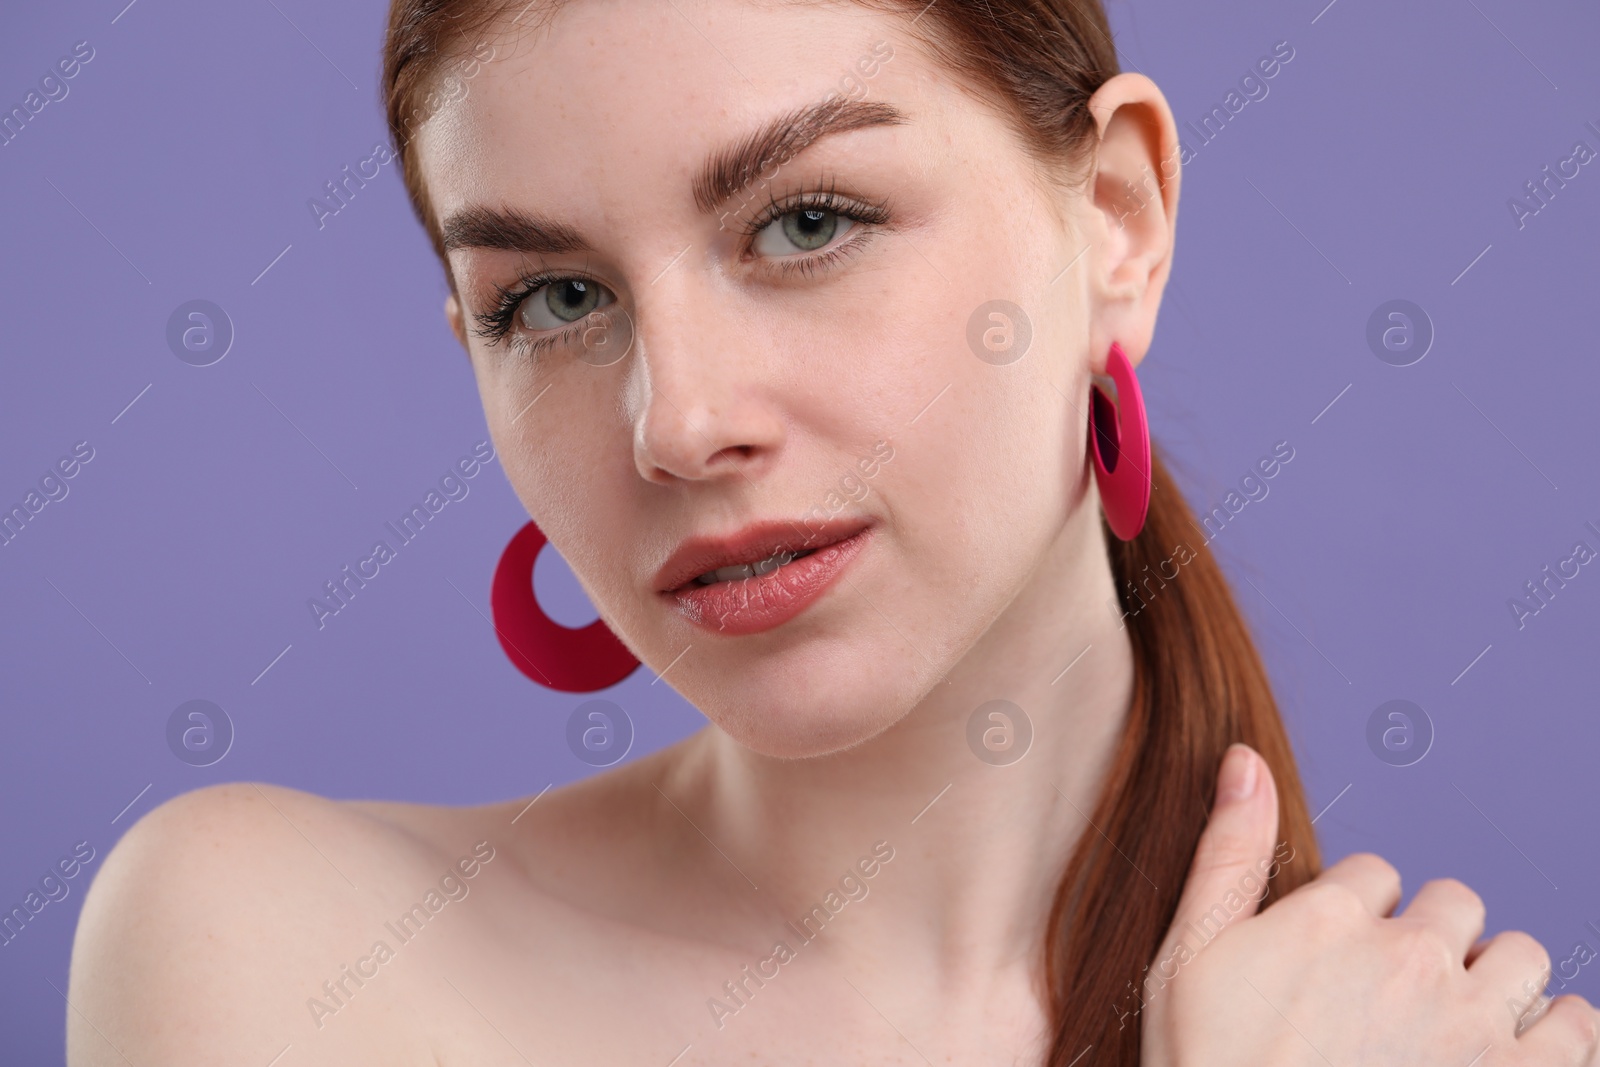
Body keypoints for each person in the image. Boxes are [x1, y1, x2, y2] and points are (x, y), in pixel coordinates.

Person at [66, 1, 1598, 1063]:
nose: (676, 423)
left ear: (1115, 222)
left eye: (807, 223)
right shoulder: (274, 956)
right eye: (555, 300)